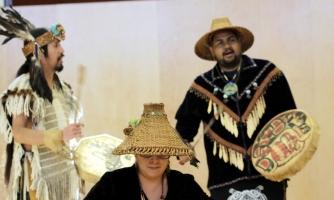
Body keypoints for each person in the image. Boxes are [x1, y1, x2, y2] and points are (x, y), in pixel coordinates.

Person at [175, 17, 296, 200]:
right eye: (219, 43)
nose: (227, 46)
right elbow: (185, 125)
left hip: (269, 173)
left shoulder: (267, 73)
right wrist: (183, 146)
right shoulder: (201, 86)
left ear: (240, 43)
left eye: (231, 40)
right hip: (224, 180)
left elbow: (289, 117)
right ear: (211, 50)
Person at [0, 7, 84, 200]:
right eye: (56, 46)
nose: (62, 50)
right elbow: (19, 133)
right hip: (38, 181)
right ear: (39, 54)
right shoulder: (25, 87)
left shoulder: (63, 89)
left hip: (64, 177)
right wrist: (58, 135)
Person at [84, 103, 213, 200]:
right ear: (135, 152)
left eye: (162, 153)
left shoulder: (184, 185)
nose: (155, 160)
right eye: (147, 152)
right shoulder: (114, 183)